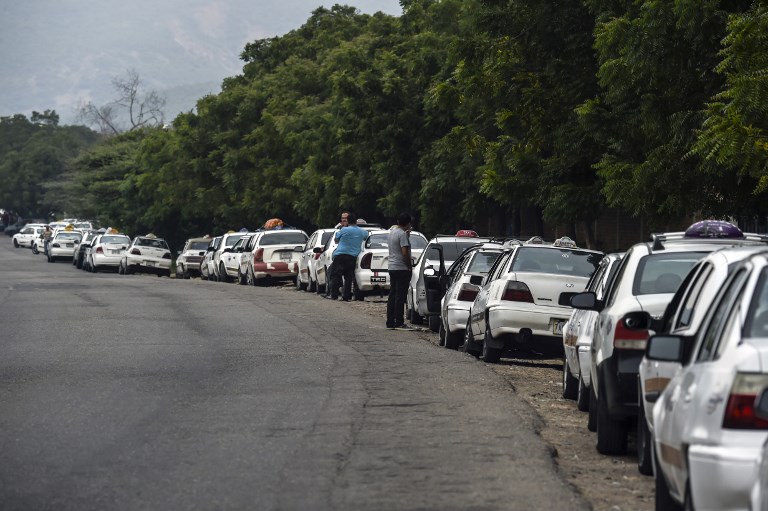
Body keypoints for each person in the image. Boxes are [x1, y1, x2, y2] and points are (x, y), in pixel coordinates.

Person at [328, 213, 368, 301]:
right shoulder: (362, 231)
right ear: (356, 221)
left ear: (348, 221)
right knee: (348, 276)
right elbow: (366, 237)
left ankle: (334, 295)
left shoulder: (343, 230)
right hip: (352, 257)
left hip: (340, 255)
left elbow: (336, 239)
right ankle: (346, 296)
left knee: (335, 275)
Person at [386, 213, 413, 330]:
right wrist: (408, 265)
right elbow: (405, 252)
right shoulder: (402, 235)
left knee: (392, 295)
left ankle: (390, 321)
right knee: (400, 296)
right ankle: (399, 321)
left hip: (392, 266)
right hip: (401, 267)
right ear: (407, 224)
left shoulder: (392, 232)